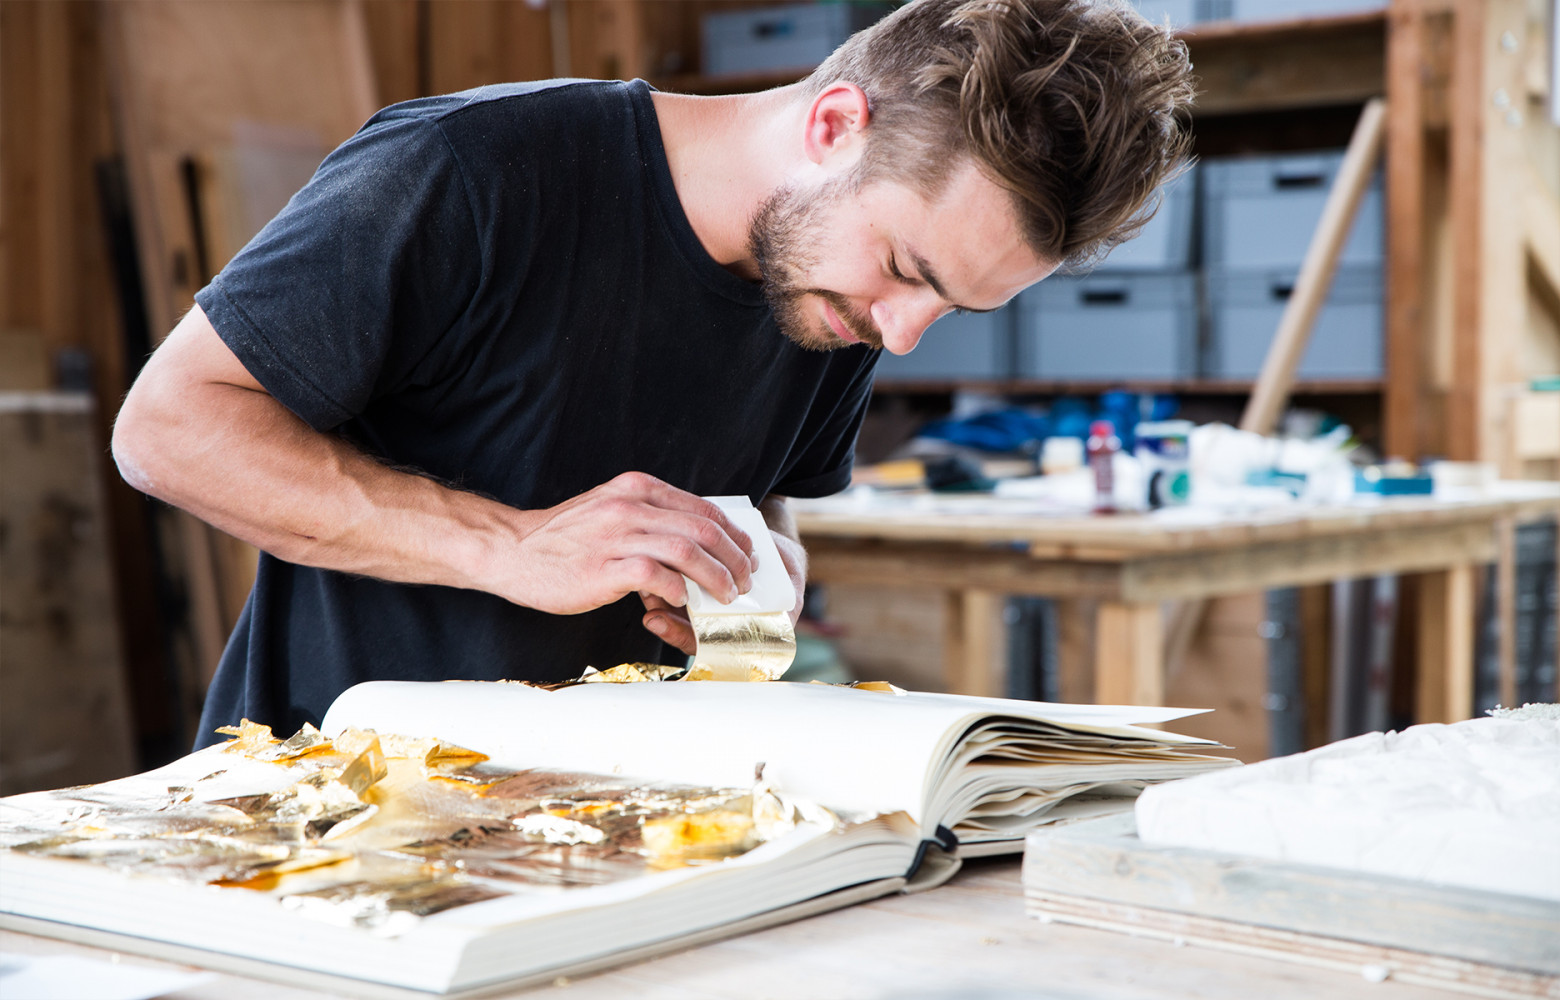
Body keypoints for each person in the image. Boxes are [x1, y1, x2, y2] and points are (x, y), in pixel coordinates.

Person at [111, 0, 1194, 747]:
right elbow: (165, 428)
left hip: (613, 820)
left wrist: (756, 587)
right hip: (328, 805)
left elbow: (764, 493)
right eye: (909, 271)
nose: (904, 333)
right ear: (833, 125)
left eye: (951, 304)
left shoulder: (834, 291)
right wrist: (512, 547)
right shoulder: (475, 170)